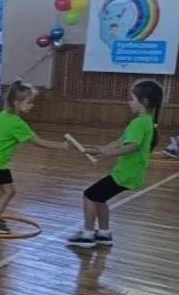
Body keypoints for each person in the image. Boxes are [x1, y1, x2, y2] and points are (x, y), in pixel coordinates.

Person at [68, 79, 163, 248]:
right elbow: (120, 141)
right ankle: (104, 234)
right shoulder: (146, 120)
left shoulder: (138, 123)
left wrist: (108, 153)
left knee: (89, 195)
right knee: (100, 198)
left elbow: (132, 146)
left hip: (125, 174)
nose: (129, 102)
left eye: (132, 98)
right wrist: (101, 149)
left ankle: (87, 235)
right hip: (130, 173)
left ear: (144, 101)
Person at [0, 79, 68, 234]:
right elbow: (39, 142)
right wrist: (61, 146)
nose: (32, 105)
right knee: (10, 192)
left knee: (2, 189)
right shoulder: (17, 123)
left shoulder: (1, 115)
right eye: (29, 102)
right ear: (17, 103)